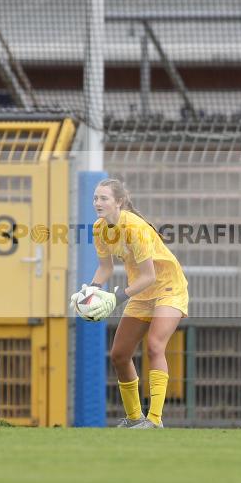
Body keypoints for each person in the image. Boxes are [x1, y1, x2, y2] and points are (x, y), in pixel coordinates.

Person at [70, 178, 188, 429]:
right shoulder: (99, 228)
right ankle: (135, 418)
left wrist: (115, 298)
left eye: (104, 198)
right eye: (95, 198)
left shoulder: (135, 228)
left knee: (155, 345)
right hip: (143, 292)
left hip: (168, 288)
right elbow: (105, 268)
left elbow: (150, 275)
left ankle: (154, 420)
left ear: (119, 202)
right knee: (120, 354)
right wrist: (90, 293)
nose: (97, 203)